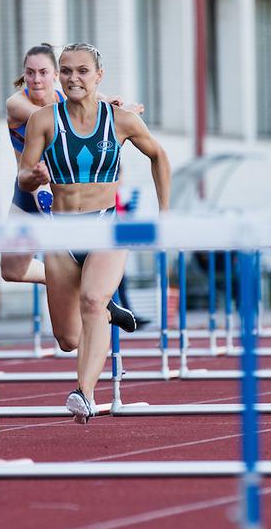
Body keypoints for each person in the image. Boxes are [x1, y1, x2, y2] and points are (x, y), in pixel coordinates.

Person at [18, 43, 171, 422]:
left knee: (90, 300)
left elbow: (159, 156)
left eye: (82, 71)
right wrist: (33, 177)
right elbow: (23, 175)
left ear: (98, 76)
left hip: (107, 225)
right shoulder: (43, 119)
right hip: (61, 233)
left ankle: (84, 393)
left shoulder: (119, 120)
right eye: (66, 71)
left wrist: (167, 215)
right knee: (68, 339)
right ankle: (107, 310)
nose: (74, 78)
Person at [1, 42, 142, 332]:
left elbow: (99, 105)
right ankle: (79, 286)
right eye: (29, 73)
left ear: (56, 75)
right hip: (28, 187)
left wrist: (120, 110)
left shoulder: (68, 93)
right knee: (11, 270)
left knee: (73, 320)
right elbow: (55, 119)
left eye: (43, 73)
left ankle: (91, 295)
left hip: (58, 192)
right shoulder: (17, 103)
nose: (36, 80)